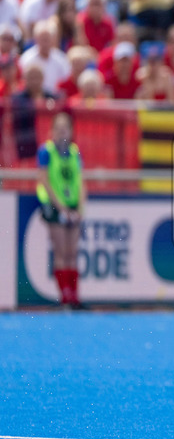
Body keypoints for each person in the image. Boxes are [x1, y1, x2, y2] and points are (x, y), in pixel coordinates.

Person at [36, 111, 87, 308]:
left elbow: (81, 181)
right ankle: (64, 296)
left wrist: (80, 207)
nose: (61, 132)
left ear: (71, 131)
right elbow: (44, 180)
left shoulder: (75, 152)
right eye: (58, 128)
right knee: (61, 251)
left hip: (72, 205)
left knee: (72, 252)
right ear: (51, 131)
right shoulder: (46, 151)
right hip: (55, 206)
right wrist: (61, 207)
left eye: (65, 128)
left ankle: (75, 296)